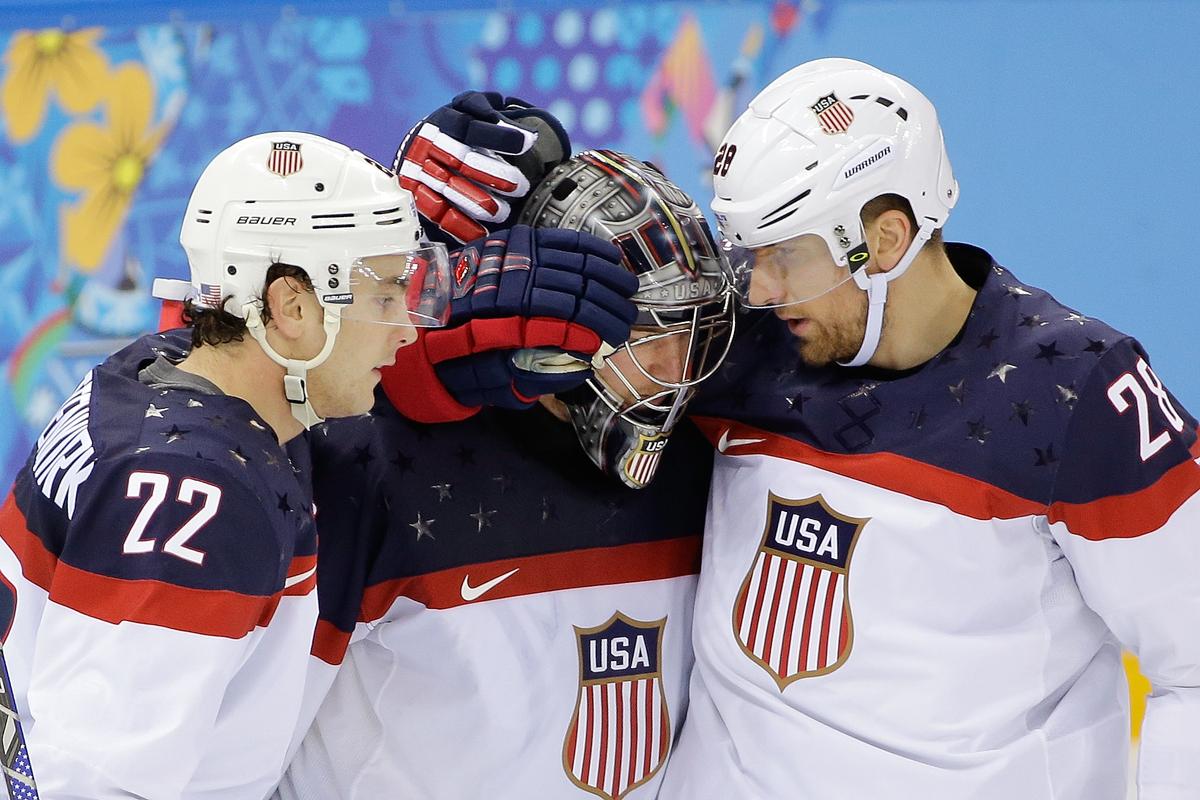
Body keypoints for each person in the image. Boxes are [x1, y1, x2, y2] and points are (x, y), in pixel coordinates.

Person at [0, 130, 634, 798]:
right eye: (387, 295)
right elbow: (96, 785)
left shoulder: (151, 371)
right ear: (292, 306)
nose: (409, 329)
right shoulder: (196, 496)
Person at [653, 58, 1200, 799]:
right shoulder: (743, 345)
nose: (761, 288)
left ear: (885, 238)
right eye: (750, 253)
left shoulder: (1079, 388)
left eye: (785, 254)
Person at [273, 150, 734, 799]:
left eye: (697, 331)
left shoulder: (711, 451)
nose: (679, 367)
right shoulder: (364, 460)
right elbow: (236, 738)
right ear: (558, 329)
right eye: (650, 334)